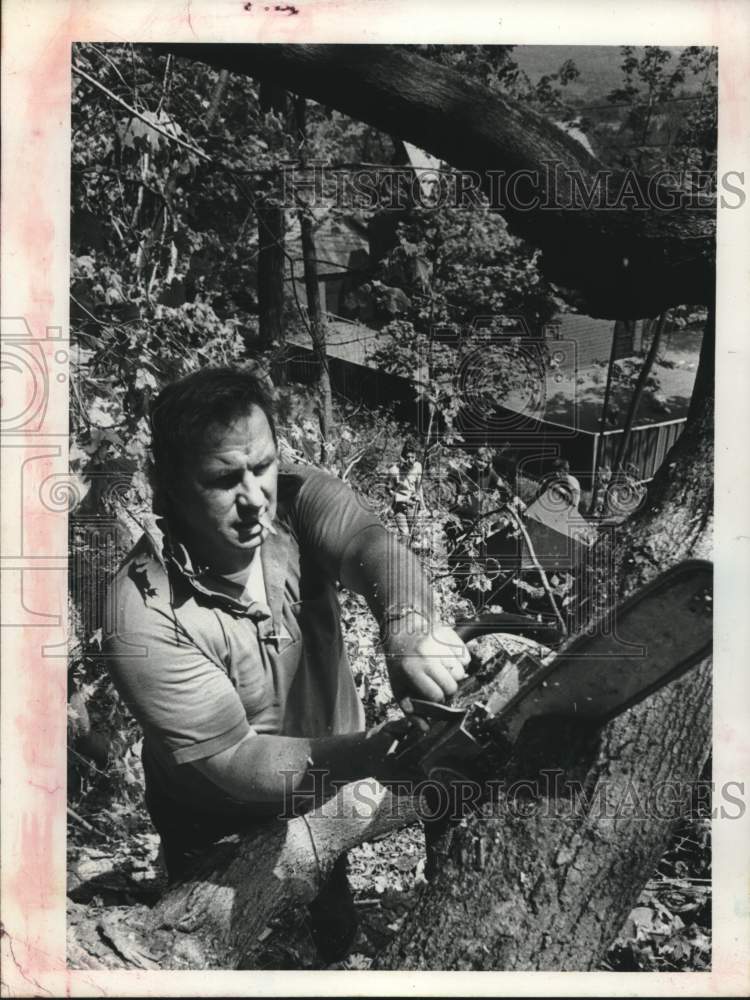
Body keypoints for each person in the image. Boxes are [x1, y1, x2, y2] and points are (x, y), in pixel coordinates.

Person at [104, 367, 469, 963]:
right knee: (217, 950)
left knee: (331, 922)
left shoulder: (300, 500)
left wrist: (407, 628)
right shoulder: (140, 613)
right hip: (213, 823)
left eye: (263, 466)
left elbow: (371, 548)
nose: (254, 499)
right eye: (224, 480)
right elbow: (235, 760)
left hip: (327, 785)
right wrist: (370, 751)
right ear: (166, 484)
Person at [386, 440, 425, 541]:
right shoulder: (393, 470)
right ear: (402, 458)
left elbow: (419, 488)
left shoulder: (418, 467)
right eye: (407, 458)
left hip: (413, 506)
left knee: (414, 534)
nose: (410, 460)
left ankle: (411, 553)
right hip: (399, 507)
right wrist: (400, 498)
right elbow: (388, 489)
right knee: (405, 534)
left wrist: (423, 507)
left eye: (413, 457)